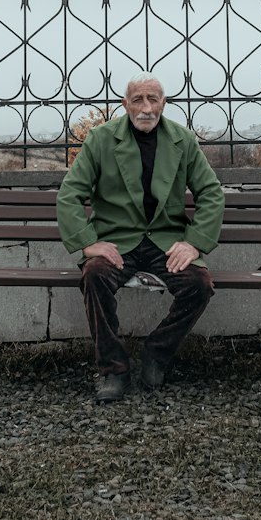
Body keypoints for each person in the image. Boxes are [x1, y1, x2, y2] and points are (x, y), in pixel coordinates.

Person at [56, 74, 225, 402]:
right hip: (117, 241)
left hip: (166, 240)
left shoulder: (182, 140)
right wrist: (89, 242)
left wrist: (193, 243)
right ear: (125, 104)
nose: (146, 108)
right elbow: (70, 194)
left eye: (153, 99)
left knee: (199, 285)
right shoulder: (100, 140)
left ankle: (156, 354)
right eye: (138, 100)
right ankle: (113, 368)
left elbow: (211, 193)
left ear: (164, 102)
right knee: (94, 275)